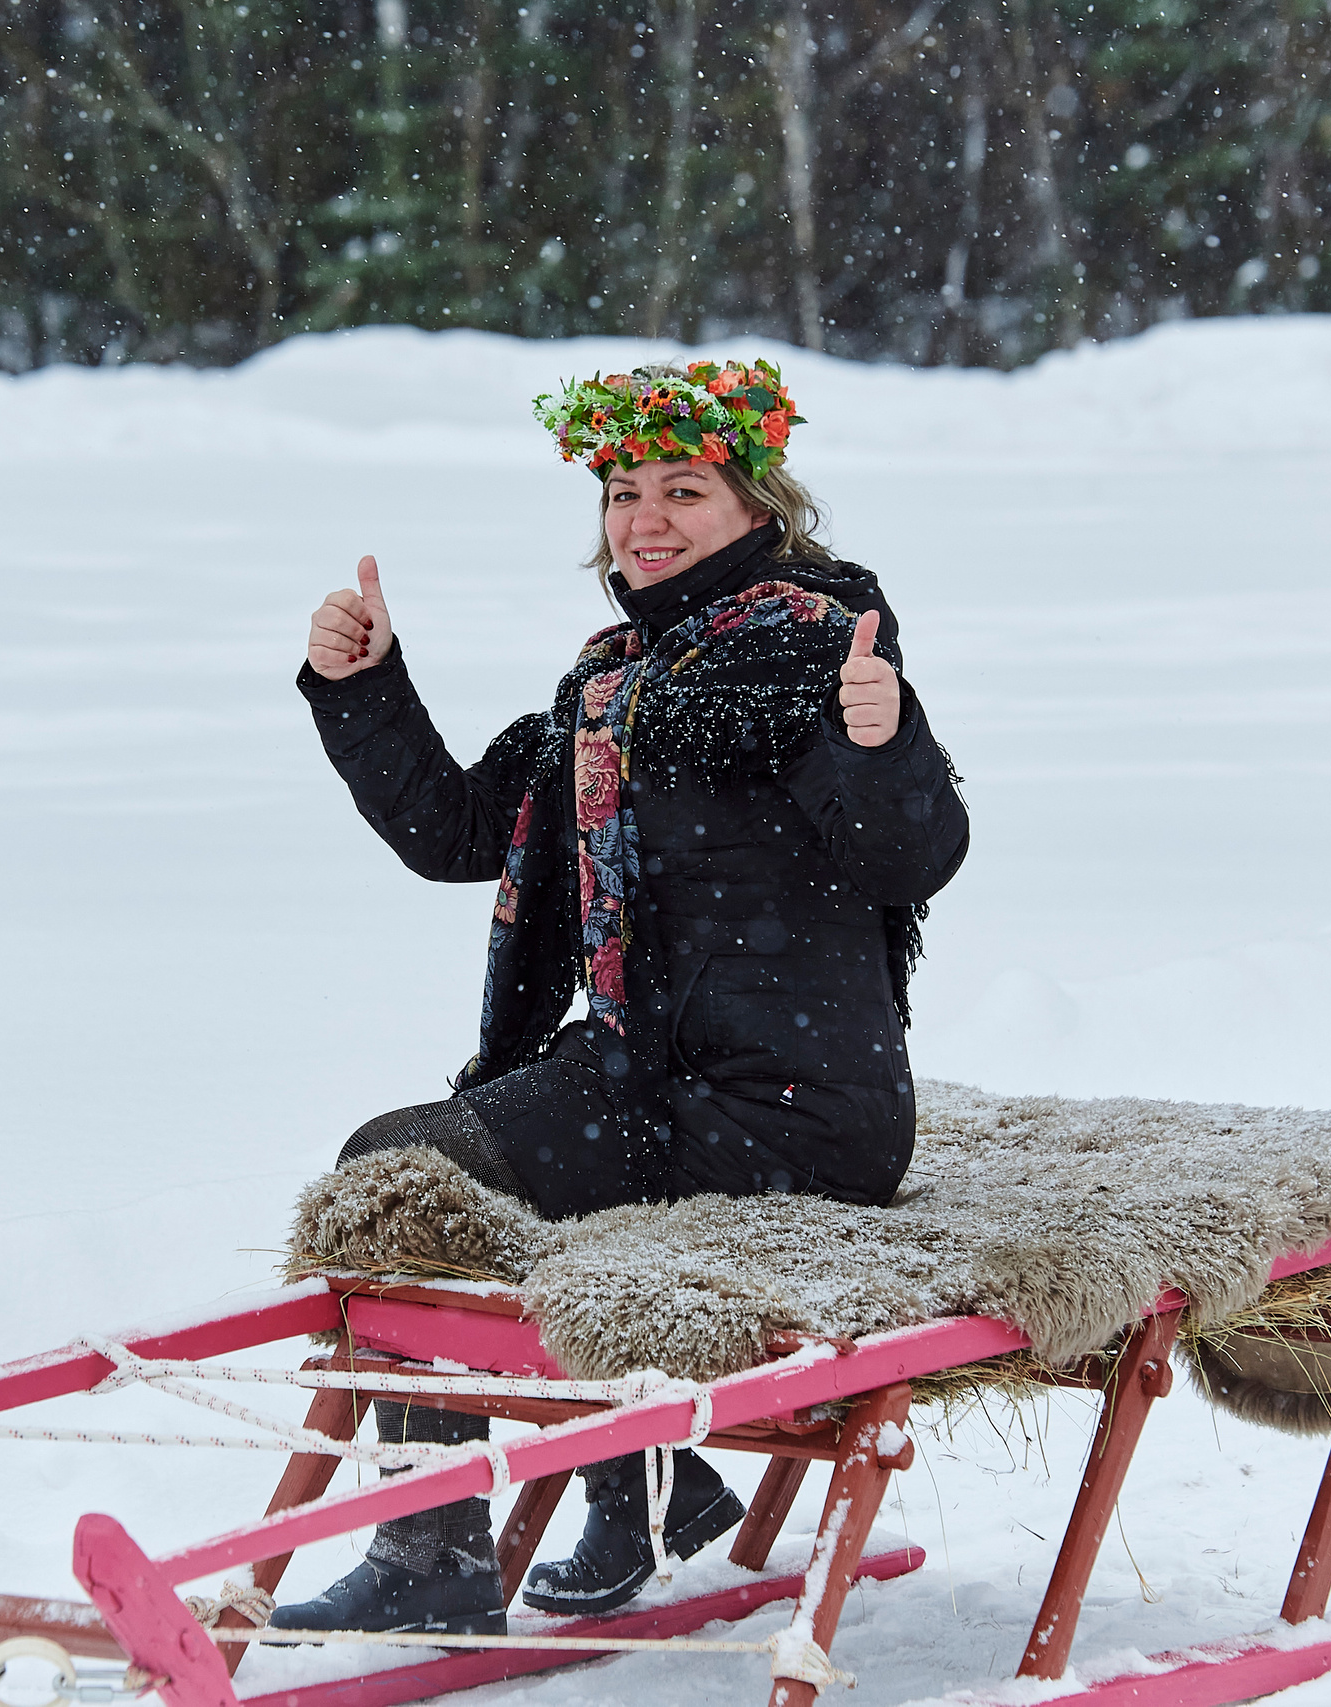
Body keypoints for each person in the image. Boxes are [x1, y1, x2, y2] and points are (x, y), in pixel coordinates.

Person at [274, 361, 970, 1637]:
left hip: (797, 1112)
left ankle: (448, 1546)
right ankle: (642, 1475)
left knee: (401, 1173)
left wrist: (884, 744)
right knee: (414, 1175)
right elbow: (457, 830)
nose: (645, 519)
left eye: (683, 490)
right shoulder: (612, 682)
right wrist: (365, 685)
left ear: (758, 503)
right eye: (623, 492)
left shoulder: (816, 650)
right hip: (651, 1083)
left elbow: (903, 858)